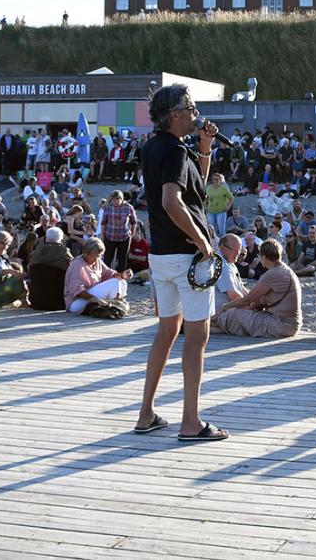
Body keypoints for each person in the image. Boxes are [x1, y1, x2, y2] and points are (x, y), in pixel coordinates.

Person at [135, 84, 227, 441]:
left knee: (167, 330)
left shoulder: (156, 148)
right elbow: (173, 200)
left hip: (160, 254)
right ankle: (191, 420)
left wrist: (204, 150)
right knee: (196, 335)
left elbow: (195, 191)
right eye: (190, 108)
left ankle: (146, 413)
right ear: (174, 114)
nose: (195, 113)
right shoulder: (174, 152)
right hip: (187, 256)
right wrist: (203, 241)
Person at [213, 238, 301, 338]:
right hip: (288, 324)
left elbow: (248, 299)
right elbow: (257, 301)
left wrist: (224, 307)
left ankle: (209, 328)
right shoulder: (284, 270)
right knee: (240, 317)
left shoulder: (272, 274)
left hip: (280, 325)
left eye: (259, 255)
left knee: (229, 314)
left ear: (264, 256)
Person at [65, 237, 132, 317]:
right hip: (76, 302)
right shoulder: (77, 265)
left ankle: (113, 305)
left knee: (122, 282)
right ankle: (113, 307)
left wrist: (122, 275)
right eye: (96, 256)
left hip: (90, 296)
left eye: (99, 256)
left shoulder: (97, 261)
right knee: (115, 282)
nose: (98, 258)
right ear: (86, 253)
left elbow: (109, 273)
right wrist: (96, 300)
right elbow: (78, 292)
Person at [100, 191, 138, 273]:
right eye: (113, 200)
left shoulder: (128, 207)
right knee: (107, 258)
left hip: (124, 237)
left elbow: (134, 221)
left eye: (117, 200)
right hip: (110, 236)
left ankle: (120, 277)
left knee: (122, 259)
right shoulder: (108, 207)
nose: (115, 202)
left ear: (121, 199)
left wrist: (133, 233)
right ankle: (106, 276)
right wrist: (102, 236)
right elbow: (103, 222)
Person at [205, 173, 233, 241]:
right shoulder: (208, 188)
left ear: (220, 180)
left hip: (221, 211)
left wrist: (228, 207)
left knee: (221, 230)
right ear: (212, 180)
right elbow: (206, 198)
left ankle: (223, 245)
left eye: (217, 179)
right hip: (210, 211)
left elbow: (231, 198)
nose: (216, 181)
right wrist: (205, 206)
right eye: (214, 179)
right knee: (211, 229)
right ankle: (213, 244)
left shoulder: (224, 188)